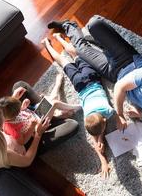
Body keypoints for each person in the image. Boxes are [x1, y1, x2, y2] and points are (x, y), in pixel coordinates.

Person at [47, 18, 142, 131]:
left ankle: (68, 26)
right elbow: (120, 87)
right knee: (94, 24)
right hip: (127, 59)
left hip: (114, 74)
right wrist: (119, 115)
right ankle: (98, 41)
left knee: (80, 50)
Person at [0, 76, 79, 170]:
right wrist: (38, 134)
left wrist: (13, 100)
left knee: (20, 86)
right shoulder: (1, 153)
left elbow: (0, 115)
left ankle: (53, 115)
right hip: (26, 144)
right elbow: (26, 161)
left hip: (23, 124)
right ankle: (53, 116)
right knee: (72, 125)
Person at [41, 34, 114, 178]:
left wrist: (103, 156)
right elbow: (97, 136)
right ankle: (53, 41)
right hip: (79, 84)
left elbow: (97, 136)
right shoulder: (91, 114)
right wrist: (100, 141)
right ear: (104, 121)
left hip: (92, 80)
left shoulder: (107, 111)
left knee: (73, 57)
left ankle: (51, 42)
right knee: (67, 60)